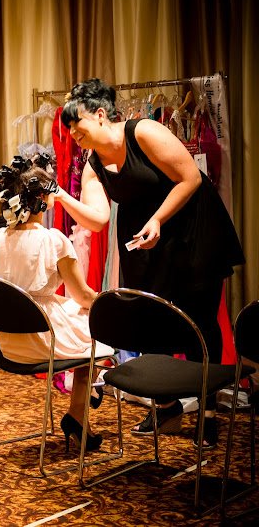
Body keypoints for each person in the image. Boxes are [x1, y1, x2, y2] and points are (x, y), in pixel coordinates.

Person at [57, 78, 245, 449]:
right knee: (151, 321)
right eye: (69, 127)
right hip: (145, 242)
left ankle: (207, 414)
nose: (72, 132)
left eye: (76, 122)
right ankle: (168, 407)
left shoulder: (143, 132)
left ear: (100, 114)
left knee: (200, 321)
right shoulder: (93, 164)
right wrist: (60, 196)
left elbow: (190, 178)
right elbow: (98, 219)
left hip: (190, 231)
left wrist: (158, 218)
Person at [0, 157, 115, 452]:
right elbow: (83, 296)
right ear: (44, 197)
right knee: (98, 333)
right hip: (41, 341)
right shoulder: (53, 240)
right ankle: (78, 412)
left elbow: (2, 291)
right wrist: (106, 303)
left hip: (8, 341)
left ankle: (80, 418)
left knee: (82, 322)